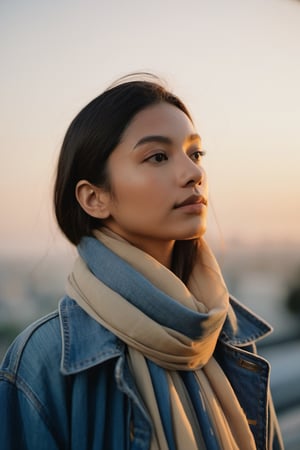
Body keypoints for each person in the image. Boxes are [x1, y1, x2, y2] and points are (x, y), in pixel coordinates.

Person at [0, 73, 284, 450]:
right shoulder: (42, 361)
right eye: (158, 157)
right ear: (94, 198)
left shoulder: (226, 332)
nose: (194, 173)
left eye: (195, 154)